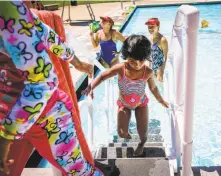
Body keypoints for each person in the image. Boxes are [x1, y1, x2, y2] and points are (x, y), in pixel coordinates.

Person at [0, 1, 103, 175]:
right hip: (10, 117)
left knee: (80, 173)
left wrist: (5, 139)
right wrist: (76, 62)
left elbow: (42, 83)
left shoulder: (7, 10)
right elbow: (45, 33)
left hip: (46, 118)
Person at [82, 35, 169, 156]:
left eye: (141, 61)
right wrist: (90, 87)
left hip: (141, 104)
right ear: (126, 56)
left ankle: (141, 144)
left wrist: (161, 100)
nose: (137, 64)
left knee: (143, 134)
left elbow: (153, 88)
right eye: (133, 61)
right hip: (124, 104)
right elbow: (102, 76)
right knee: (122, 133)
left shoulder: (147, 72)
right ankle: (127, 134)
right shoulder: (120, 68)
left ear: (146, 58)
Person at [145, 18, 168, 82]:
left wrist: (162, 71)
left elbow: (166, 57)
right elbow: (150, 55)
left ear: (158, 26)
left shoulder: (162, 40)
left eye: (152, 27)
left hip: (159, 68)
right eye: (149, 27)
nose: (150, 29)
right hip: (152, 67)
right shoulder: (150, 38)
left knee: (160, 86)